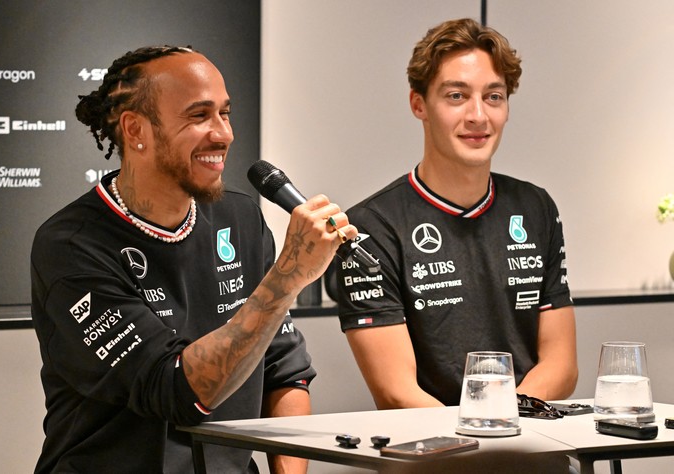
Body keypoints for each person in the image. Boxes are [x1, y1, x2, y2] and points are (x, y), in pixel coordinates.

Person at [30, 46, 355, 473]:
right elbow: (176, 389)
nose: (223, 134)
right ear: (135, 130)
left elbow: (283, 373)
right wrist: (288, 277)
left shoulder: (240, 218)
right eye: (199, 116)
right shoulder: (71, 245)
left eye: (225, 112)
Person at [336, 18, 578, 410]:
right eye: (456, 96)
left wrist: (504, 419)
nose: (478, 116)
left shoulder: (536, 208)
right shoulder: (371, 226)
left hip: (530, 441)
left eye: (494, 97)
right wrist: (480, 434)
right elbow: (396, 391)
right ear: (419, 104)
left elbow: (562, 365)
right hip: (432, 456)